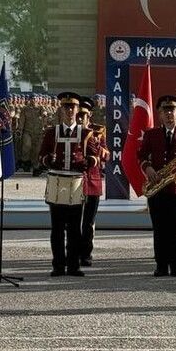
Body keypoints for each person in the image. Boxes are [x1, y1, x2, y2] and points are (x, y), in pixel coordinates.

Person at [38, 92, 101, 277]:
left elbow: (96, 156)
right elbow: (41, 156)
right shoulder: (52, 133)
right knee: (57, 229)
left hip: (76, 184)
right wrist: (48, 160)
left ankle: (74, 265)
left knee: (74, 228)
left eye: (72, 107)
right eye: (66, 107)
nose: (70, 111)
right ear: (61, 109)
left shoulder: (86, 133)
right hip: (57, 182)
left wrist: (87, 162)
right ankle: (58, 265)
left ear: (76, 109)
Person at [138, 95, 176, 277]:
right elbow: (141, 156)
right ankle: (161, 265)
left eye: (172, 110)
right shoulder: (151, 134)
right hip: (157, 188)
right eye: (165, 111)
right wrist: (148, 168)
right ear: (159, 114)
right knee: (159, 229)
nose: (169, 114)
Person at [77, 96, 110, 266]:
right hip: (75, 183)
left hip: (92, 182)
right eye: (79, 114)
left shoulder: (98, 131)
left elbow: (106, 155)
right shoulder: (72, 131)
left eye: (84, 114)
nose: (81, 117)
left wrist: (96, 147)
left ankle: (86, 254)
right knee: (74, 221)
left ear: (90, 114)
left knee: (89, 222)